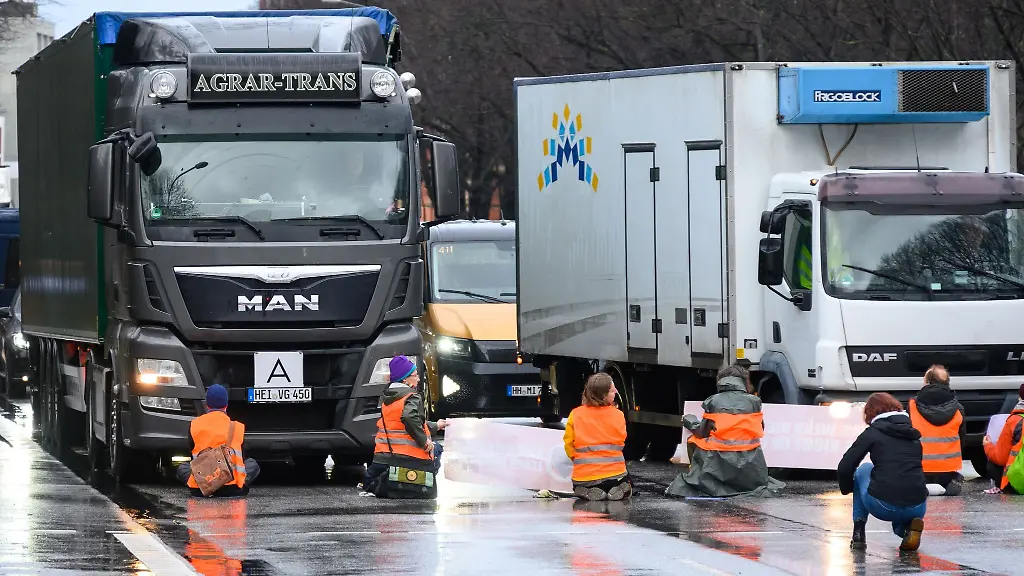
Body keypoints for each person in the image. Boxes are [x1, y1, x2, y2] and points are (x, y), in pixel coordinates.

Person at [666, 365, 783, 498]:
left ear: (721, 381)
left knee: (692, 439)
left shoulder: (713, 401)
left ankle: (700, 476)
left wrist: (689, 420)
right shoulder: (755, 402)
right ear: (744, 382)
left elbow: (701, 432)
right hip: (751, 467)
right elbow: (760, 428)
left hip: (717, 464)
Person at [838, 392, 927, 552]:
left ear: (871, 413)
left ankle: (858, 533)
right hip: (918, 505)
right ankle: (907, 530)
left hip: (884, 506)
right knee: (902, 498)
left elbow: (846, 465)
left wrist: (848, 489)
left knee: (864, 469)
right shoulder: (913, 434)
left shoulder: (873, 432)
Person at [361, 355, 448, 498]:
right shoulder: (412, 396)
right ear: (405, 379)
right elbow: (409, 417)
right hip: (406, 458)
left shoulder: (388, 397)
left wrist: (436, 425)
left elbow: (401, 424)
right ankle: (419, 482)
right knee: (437, 448)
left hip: (380, 461)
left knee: (369, 483)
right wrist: (423, 440)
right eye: (415, 375)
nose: (418, 379)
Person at [176, 384, 260, 497]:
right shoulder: (237, 427)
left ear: (207, 405)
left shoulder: (194, 425)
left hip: (202, 486)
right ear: (226, 405)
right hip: (233, 487)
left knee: (183, 467)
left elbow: (192, 455)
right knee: (252, 464)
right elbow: (241, 458)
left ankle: (201, 486)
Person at [563, 373, 631, 501]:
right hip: (615, 474)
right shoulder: (618, 415)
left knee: (584, 483)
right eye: (612, 390)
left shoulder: (576, 414)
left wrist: (578, 459)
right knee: (622, 482)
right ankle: (616, 488)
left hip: (584, 476)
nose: (616, 392)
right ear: (604, 396)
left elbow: (568, 444)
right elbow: (622, 440)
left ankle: (585, 490)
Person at [908, 364, 966, 495]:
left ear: (927, 382)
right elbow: (962, 438)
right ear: (947, 383)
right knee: (948, 478)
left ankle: (921, 486)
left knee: (912, 482)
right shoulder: (958, 408)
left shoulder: (912, 406)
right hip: (948, 467)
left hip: (920, 468)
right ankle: (952, 480)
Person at [982, 383, 1024, 494]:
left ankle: (1005, 486)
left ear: (1020, 398)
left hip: (1019, 479)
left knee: (992, 464)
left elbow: (1000, 458)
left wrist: (987, 445)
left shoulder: (1015, 420)